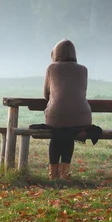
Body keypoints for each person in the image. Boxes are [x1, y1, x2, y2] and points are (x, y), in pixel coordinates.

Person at [43, 39, 92, 180]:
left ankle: (53, 173)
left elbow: (45, 95)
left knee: (57, 134)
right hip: (81, 117)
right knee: (70, 133)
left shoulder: (51, 69)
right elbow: (82, 92)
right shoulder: (83, 69)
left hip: (56, 116)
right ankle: (64, 173)